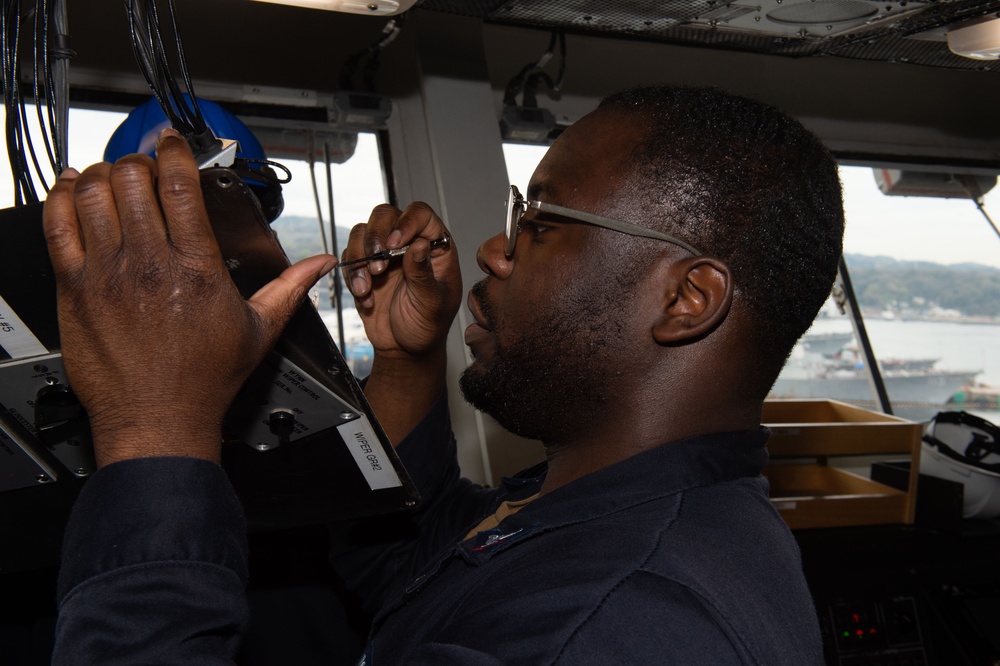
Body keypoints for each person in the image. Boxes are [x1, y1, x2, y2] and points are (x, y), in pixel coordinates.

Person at [47, 85, 843, 664]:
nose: (494, 251)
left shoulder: (620, 621)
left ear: (686, 298)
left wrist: (153, 425)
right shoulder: (594, 509)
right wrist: (405, 358)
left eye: (539, 222)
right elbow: (401, 564)